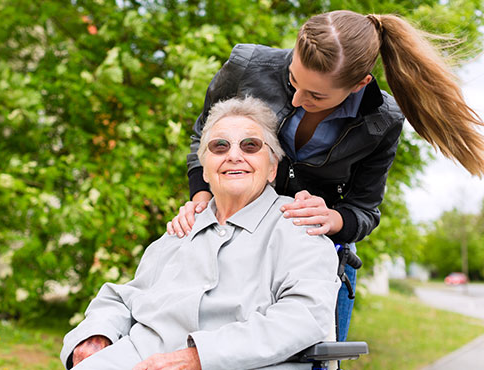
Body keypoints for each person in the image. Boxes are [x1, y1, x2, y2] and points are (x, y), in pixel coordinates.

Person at [167, 10, 484, 341]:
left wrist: (333, 218)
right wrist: (201, 198)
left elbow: (364, 211)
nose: (297, 99)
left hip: (317, 266)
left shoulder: (382, 122)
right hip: (236, 251)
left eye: (316, 95)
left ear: (360, 84)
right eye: (292, 80)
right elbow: (204, 135)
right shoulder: (246, 65)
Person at [61, 97, 341, 370]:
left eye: (250, 145)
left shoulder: (297, 224)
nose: (234, 155)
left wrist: (201, 357)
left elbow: (303, 316)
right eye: (220, 146)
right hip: (139, 357)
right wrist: (96, 334)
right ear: (204, 171)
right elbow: (125, 297)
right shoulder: (181, 228)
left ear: (272, 168)